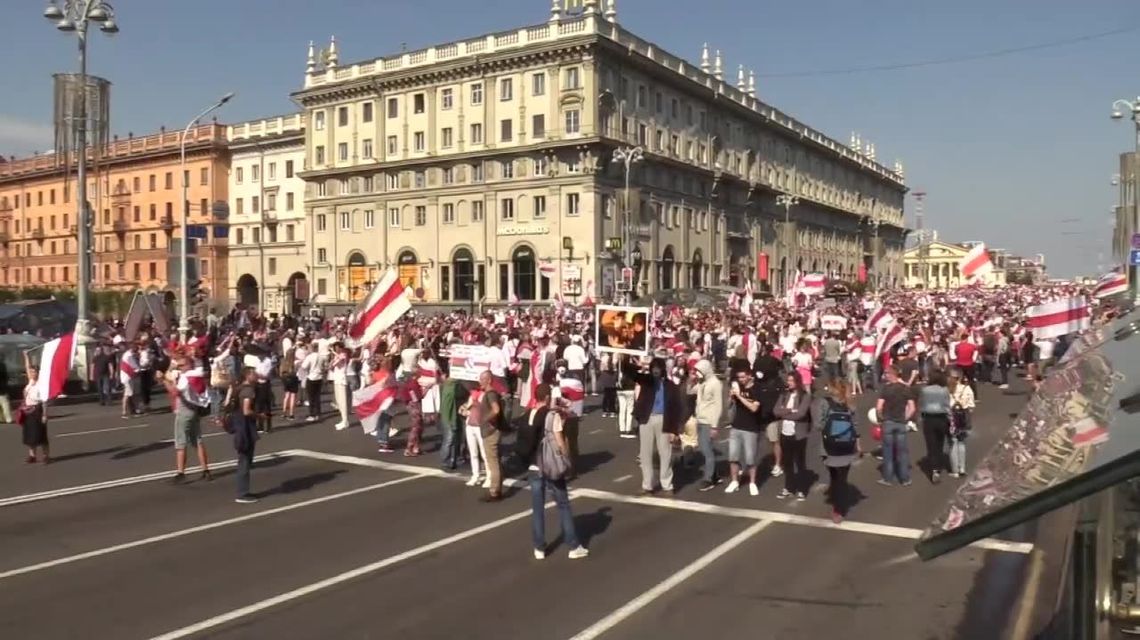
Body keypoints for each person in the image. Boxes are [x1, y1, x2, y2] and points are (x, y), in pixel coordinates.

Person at [517, 383, 588, 560]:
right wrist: (567, 459)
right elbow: (559, 441)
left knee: (537, 508)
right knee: (563, 504)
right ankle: (573, 545)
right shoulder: (551, 415)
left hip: (533, 466)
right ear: (548, 397)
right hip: (550, 465)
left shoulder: (527, 415)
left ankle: (539, 547)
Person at [631, 357, 685, 496]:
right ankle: (647, 485)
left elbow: (676, 408)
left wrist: (675, 430)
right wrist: (625, 357)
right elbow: (629, 372)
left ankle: (667, 485)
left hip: (664, 419)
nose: (655, 370)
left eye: (658, 368)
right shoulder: (646, 382)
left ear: (662, 370)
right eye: (653, 367)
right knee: (645, 454)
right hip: (646, 419)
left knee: (665, 453)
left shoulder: (671, 386)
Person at [162, 354, 212, 483]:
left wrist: (164, 380)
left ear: (189, 364)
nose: (180, 368)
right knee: (198, 440)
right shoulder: (197, 375)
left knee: (180, 442)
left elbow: (175, 392)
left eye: (182, 365)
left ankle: (180, 472)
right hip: (195, 409)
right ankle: (206, 470)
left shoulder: (186, 377)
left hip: (185, 410)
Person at [817, 380, 861, 523]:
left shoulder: (825, 402)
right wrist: (858, 445)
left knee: (834, 476)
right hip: (847, 446)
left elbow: (818, 424)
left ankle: (837, 505)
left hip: (829, 447)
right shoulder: (850, 403)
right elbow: (855, 425)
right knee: (843, 478)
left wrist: (829, 429)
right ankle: (840, 509)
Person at [773, 370, 812, 500]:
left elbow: (801, 413)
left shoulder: (804, 396)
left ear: (797, 382)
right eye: (788, 380)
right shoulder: (784, 395)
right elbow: (776, 411)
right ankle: (788, 487)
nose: (788, 383)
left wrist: (785, 413)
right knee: (787, 462)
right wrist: (789, 410)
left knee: (800, 462)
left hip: (799, 434)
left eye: (791, 381)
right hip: (785, 433)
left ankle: (801, 489)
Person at [725, 365, 763, 495]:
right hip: (736, 426)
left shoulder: (757, 389)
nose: (740, 380)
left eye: (743, 377)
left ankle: (752, 482)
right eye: (739, 377)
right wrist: (731, 397)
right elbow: (729, 405)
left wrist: (740, 397)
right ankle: (734, 481)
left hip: (751, 428)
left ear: (749, 376)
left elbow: (754, 408)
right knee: (733, 456)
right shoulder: (737, 387)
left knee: (750, 458)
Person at [876, 365, 916, 487]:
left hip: (888, 422)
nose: (885, 375)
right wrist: (906, 418)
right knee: (902, 452)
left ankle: (888, 478)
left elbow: (879, 407)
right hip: (900, 423)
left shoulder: (885, 389)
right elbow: (912, 407)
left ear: (892, 374)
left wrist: (881, 417)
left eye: (887, 373)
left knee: (887, 452)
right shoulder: (905, 388)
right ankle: (905, 479)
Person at [692, 358, 724, 491]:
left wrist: (714, 426)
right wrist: (692, 380)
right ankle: (715, 475)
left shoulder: (715, 383)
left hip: (709, 421)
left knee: (706, 450)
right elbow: (691, 391)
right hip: (700, 419)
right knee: (704, 447)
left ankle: (708, 478)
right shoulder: (702, 382)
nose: (697, 373)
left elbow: (718, 405)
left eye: (698, 370)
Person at [918, 370, 952, 484]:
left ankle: (934, 469)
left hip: (928, 418)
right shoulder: (944, 390)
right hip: (941, 418)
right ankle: (939, 464)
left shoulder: (924, 390)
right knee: (940, 442)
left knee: (931, 444)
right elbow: (947, 405)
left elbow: (922, 404)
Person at [233, 366, 260, 503]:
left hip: (238, 424)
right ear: (248, 375)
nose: (256, 375)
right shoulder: (248, 390)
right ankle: (242, 493)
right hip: (245, 426)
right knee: (245, 459)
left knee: (243, 458)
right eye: (254, 373)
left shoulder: (237, 387)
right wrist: (259, 415)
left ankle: (243, 490)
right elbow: (246, 410)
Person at [947, 368, 976, 477]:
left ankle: (955, 470)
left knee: (953, 442)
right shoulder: (967, 389)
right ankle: (962, 468)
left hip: (951, 418)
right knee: (961, 442)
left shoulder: (948, 389)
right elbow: (971, 407)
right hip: (963, 417)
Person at [20, 356, 48, 464]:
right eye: (31, 372)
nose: (32, 374)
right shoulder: (30, 381)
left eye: (34, 372)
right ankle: (32, 456)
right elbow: (27, 367)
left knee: (41, 434)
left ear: (38, 373)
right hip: (28, 411)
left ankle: (45, 456)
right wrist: (26, 356)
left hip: (38, 410)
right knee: (30, 435)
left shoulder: (41, 385)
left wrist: (45, 414)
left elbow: (44, 401)